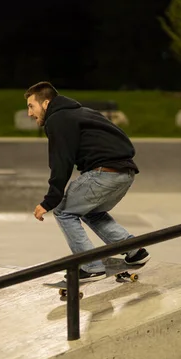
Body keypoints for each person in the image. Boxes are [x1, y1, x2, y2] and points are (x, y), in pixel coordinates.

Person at [25, 81, 150, 282]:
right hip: (125, 173)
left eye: (32, 106)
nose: (30, 113)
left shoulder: (57, 119)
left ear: (46, 103)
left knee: (64, 212)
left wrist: (49, 201)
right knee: (92, 212)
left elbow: (61, 163)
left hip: (104, 173)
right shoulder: (83, 112)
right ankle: (135, 252)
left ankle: (90, 265)